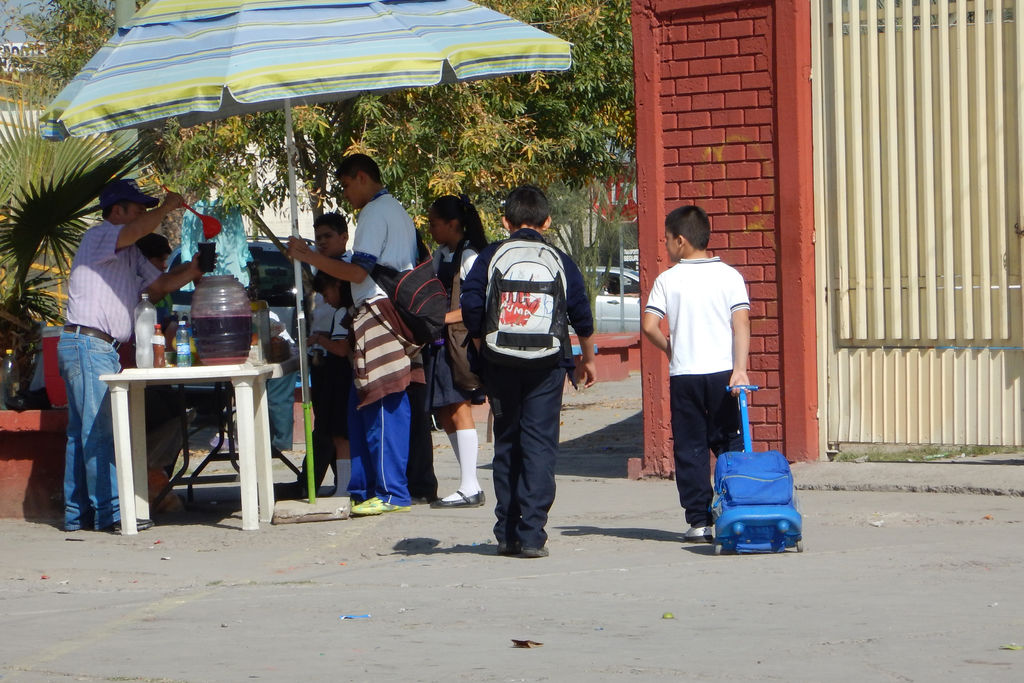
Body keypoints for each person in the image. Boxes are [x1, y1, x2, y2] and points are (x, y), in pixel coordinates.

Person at [461, 185, 597, 558]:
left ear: (505, 222)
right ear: (547, 221)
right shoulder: (560, 259)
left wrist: (482, 347)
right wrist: (587, 359)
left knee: (507, 443)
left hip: (499, 363)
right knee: (539, 445)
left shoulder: (491, 255)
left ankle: (506, 533)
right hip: (547, 366)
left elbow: (471, 306)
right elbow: (581, 313)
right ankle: (533, 534)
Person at [59, 178, 198, 533]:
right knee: (99, 431)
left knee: (83, 434)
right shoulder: (100, 235)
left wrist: (195, 269)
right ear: (117, 211)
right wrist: (165, 208)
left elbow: (160, 286)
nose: (143, 215)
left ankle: (78, 515)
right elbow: (138, 230)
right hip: (88, 343)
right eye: (137, 209)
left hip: (96, 346)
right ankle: (111, 513)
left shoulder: (130, 252)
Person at [287, 154, 419, 516]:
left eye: (346, 185)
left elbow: (359, 273)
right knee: (360, 408)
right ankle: (364, 488)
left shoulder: (375, 212)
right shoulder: (393, 211)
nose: (345, 194)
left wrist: (310, 257)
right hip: (371, 316)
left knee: (382, 404)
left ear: (362, 177)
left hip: (379, 316)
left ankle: (391, 492)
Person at [640, 204, 751, 544]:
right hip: (723, 375)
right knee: (729, 442)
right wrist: (740, 369)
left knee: (690, 447)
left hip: (684, 375)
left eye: (667, 239)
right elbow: (741, 324)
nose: (666, 246)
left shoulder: (667, 280)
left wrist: (670, 348)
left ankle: (699, 522)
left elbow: (649, 326)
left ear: (681, 241)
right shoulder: (730, 276)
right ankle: (735, 510)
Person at [423, 194, 488, 508]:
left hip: (459, 345)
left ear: (453, 224)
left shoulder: (469, 256)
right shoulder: (441, 254)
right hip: (441, 344)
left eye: (434, 223)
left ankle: (470, 485)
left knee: (460, 409)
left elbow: (478, 305)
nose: (431, 229)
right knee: (446, 412)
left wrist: (442, 319)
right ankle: (468, 480)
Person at [304, 212, 353, 497]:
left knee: (338, 430)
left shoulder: (347, 271)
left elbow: (342, 345)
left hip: (338, 364)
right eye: (318, 237)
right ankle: (336, 481)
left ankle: (343, 485)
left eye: (328, 236)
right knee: (328, 427)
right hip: (322, 358)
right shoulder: (317, 269)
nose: (322, 242)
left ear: (344, 237)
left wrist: (321, 338)